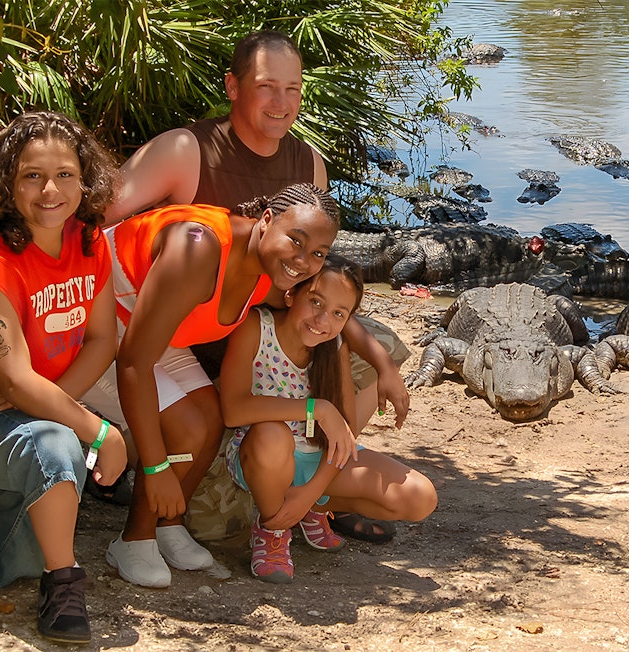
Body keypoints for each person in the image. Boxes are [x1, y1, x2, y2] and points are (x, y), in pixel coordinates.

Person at [102, 28, 408, 543]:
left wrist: (381, 363)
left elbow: (314, 276)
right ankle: (150, 462)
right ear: (233, 87)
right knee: (210, 523)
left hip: (255, 322)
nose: (280, 102)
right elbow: (96, 220)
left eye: (293, 89)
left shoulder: (308, 163)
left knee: (375, 346)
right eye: (267, 86)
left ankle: (315, 488)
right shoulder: (187, 150)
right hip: (179, 327)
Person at [81, 183, 342, 589]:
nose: (303, 261)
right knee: (184, 427)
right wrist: (156, 465)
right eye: (296, 240)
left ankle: (167, 525)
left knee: (210, 415)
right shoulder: (199, 248)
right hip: (90, 329)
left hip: (147, 329)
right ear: (267, 220)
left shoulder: (273, 271)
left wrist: (382, 362)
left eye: (318, 254)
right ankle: (134, 539)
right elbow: (133, 362)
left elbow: (329, 305)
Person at [0, 111, 127, 644]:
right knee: (61, 445)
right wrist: (100, 431)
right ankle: (63, 582)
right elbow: (13, 381)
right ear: (6, 183)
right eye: (31, 175)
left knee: (26, 540)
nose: (50, 190)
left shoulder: (90, 243)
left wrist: (52, 401)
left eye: (65, 174)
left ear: (85, 180)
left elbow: (101, 341)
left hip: (30, 401)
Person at [218, 256, 437, 582]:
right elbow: (233, 409)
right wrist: (315, 408)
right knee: (273, 436)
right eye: (316, 302)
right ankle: (272, 528)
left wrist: (310, 493)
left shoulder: (333, 346)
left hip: (317, 459)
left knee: (420, 498)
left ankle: (309, 510)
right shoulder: (256, 328)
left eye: (338, 313)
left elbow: (343, 434)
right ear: (291, 295)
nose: (323, 320)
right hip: (261, 458)